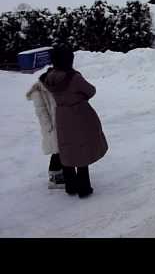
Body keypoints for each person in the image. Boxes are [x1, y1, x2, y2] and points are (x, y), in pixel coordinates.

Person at [42, 47, 108, 198]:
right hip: (79, 114)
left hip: (61, 115)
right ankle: (84, 188)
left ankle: (71, 186)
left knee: (67, 148)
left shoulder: (48, 77)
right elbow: (90, 91)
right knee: (82, 147)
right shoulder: (74, 77)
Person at [26, 75, 64, 189]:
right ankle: (54, 177)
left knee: (60, 149)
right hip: (51, 126)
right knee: (56, 150)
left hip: (58, 123)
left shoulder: (50, 88)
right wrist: (49, 127)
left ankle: (59, 174)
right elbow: (41, 112)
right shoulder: (38, 92)